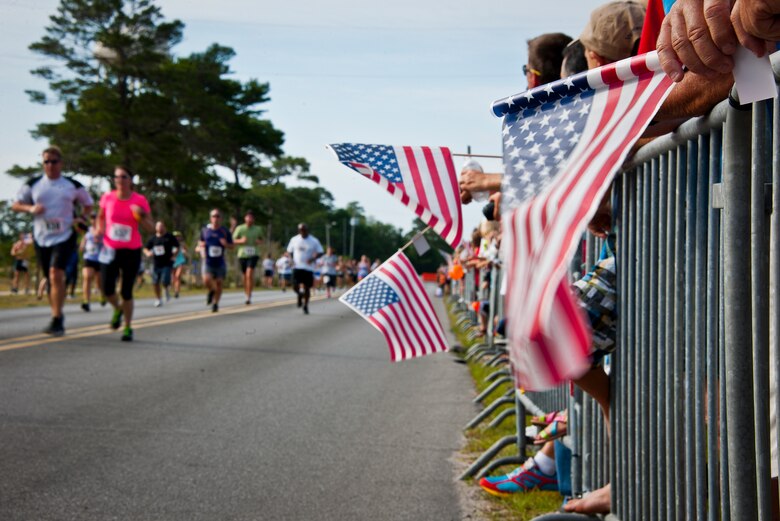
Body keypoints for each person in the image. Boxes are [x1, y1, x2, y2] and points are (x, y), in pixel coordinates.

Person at [11, 146, 93, 336]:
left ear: (61, 163)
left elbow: (88, 204)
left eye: (53, 161)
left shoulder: (72, 184)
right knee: (49, 277)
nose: (50, 165)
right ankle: (57, 313)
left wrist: (80, 218)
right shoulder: (34, 184)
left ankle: (57, 319)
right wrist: (30, 209)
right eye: (46, 162)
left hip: (65, 235)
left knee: (56, 273)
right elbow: (16, 205)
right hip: (42, 236)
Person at [97, 165, 153, 341]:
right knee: (106, 288)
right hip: (110, 249)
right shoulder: (107, 197)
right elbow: (100, 217)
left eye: (123, 177)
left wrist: (141, 216)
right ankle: (118, 309)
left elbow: (151, 228)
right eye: (116, 177)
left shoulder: (139, 200)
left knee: (126, 291)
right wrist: (98, 230)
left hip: (131, 250)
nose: (119, 180)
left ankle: (127, 327)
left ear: (131, 180)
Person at [199, 209, 233, 312]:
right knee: (206, 280)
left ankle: (215, 303)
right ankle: (211, 291)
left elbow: (232, 246)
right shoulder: (205, 230)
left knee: (219, 282)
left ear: (221, 219)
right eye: (214, 216)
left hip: (220, 262)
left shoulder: (224, 231)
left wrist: (226, 244)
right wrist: (202, 252)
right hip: (208, 261)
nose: (216, 218)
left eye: (218, 216)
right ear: (210, 218)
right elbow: (201, 244)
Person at [286, 223, 323, 314]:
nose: (302, 231)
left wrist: (313, 259)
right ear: (299, 231)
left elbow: (321, 252)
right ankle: (299, 294)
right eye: (300, 230)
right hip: (297, 266)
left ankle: (306, 305)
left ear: (307, 230)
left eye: (304, 230)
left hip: (308, 268)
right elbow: (289, 251)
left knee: (307, 288)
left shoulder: (314, 240)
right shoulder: (294, 239)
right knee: (295, 286)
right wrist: (291, 260)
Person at [144, 220, 179, 307]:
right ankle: (158, 299)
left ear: (164, 227)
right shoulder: (153, 239)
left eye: (161, 226)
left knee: (165, 280)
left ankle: (166, 289)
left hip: (167, 263)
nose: (160, 228)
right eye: (158, 226)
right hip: (156, 263)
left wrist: (174, 255)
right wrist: (148, 253)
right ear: (155, 228)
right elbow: (145, 248)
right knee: (155, 282)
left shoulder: (169, 237)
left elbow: (177, 246)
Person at [233, 210, 263, 305]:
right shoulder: (240, 228)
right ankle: (246, 292)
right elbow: (233, 240)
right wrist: (240, 241)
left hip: (254, 254)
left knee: (250, 273)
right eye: (248, 217)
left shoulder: (258, 229)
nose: (249, 219)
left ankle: (249, 295)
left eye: (251, 217)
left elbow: (261, 239)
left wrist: (259, 242)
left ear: (253, 219)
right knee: (245, 275)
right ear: (245, 218)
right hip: (242, 254)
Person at [79, 218, 104, 311]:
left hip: (100, 258)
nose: (93, 220)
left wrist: (100, 240)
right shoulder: (88, 230)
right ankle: (86, 301)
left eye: (95, 218)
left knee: (99, 280)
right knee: (87, 277)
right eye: (92, 218)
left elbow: (108, 241)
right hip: (89, 257)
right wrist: (82, 245)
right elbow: (84, 239)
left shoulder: (103, 229)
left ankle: (102, 296)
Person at [171, 231, 188, 298]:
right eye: (175, 236)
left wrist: (184, 252)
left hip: (180, 261)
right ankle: (173, 289)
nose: (176, 237)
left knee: (177, 276)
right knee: (173, 277)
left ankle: (177, 292)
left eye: (178, 236)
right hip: (173, 262)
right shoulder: (170, 243)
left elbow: (186, 251)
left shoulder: (182, 244)